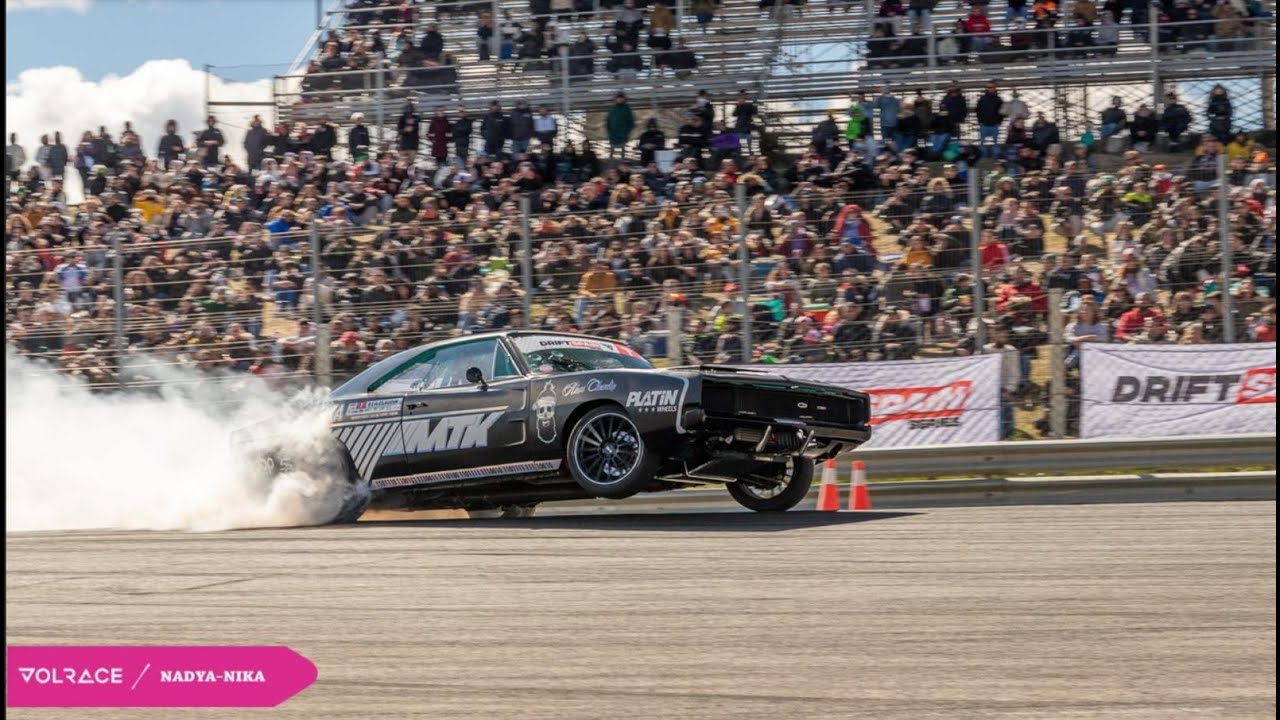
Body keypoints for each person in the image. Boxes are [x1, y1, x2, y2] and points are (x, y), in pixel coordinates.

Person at [606, 92, 636, 159]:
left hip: (623, 133)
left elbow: (631, 122)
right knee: (612, 150)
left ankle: (623, 164)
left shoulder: (627, 109)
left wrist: (627, 132)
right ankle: (610, 164)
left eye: (621, 98)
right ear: (616, 99)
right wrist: (609, 131)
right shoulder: (612, 109)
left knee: (623, 150)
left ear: (624, 99)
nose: (620, 100)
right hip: (613, 133)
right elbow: (608, 121)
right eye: (618, 98)